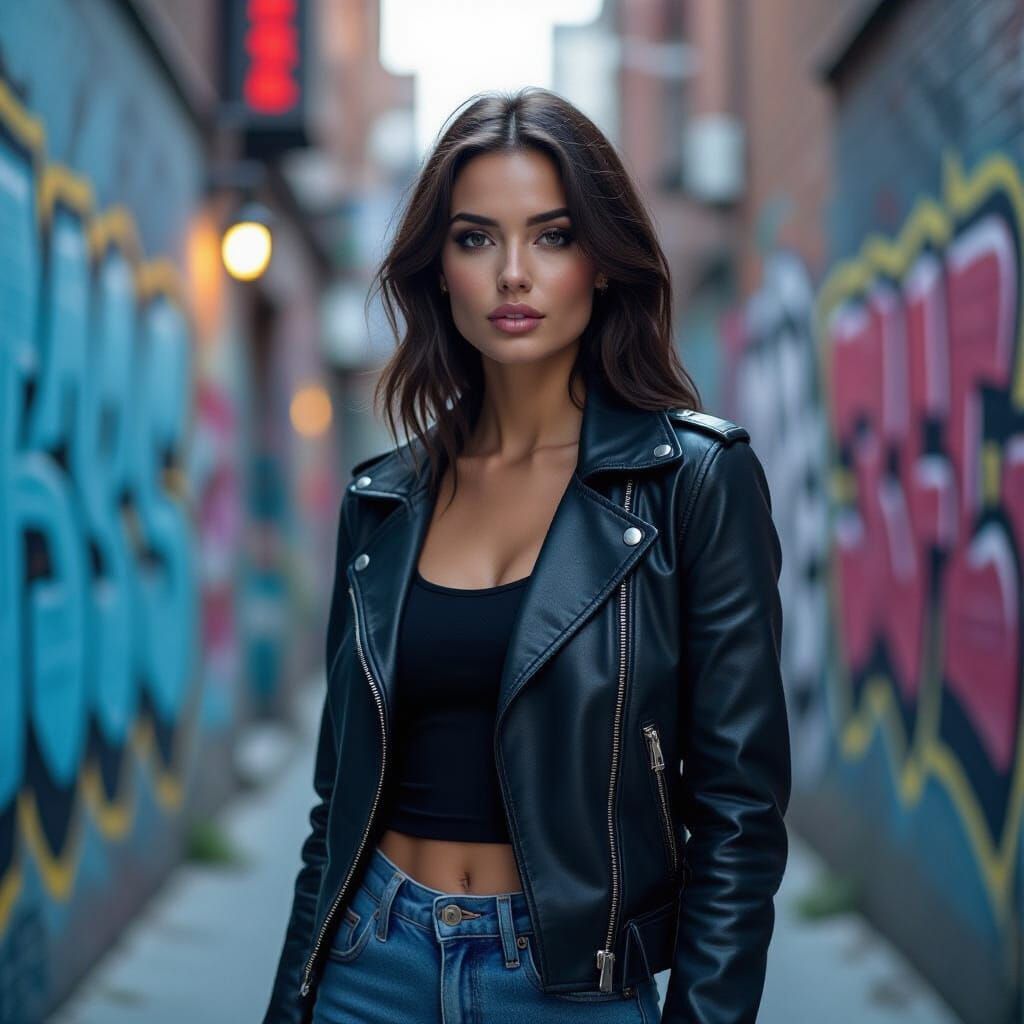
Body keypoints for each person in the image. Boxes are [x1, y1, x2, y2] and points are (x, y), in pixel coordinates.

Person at [262, 86, 791, 1024]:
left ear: (602, 262)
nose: (513, 272)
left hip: (566, 986)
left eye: (551, 236)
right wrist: (293, 1000)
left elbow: (740, 815)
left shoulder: (692, 484)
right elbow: (334, 803)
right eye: (475, 239)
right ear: (439, 272)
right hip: (368, 962)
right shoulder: (381, 501)